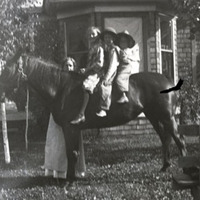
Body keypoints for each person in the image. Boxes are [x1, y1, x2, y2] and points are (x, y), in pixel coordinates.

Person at [44, 57, 86, 179]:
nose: (68, 68)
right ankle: (57, 170)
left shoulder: (76, 81)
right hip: (58, 113)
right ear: (62, 68)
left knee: (72, 143)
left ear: (74, 68)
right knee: (56, 142)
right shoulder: (57, 80)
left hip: (71, 115)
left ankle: (73, 170)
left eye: (70, 66)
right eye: (66, 66)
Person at [70, 26, 104, 124]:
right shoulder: (92, 48)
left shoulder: (99, 48)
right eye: (89, 34)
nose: (91, 36)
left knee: (86, 85)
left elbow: (99, 64)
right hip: (89, 71)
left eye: (93, 34)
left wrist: (87, 69)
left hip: (97, 73)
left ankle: (82, 114)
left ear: (98, 35)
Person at [96, 27, 120, 117]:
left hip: (112, 72)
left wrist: (106, 77)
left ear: (113, 39)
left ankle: (104, 108)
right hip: (105, 71)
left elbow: (113, 65)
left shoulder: (114, 49)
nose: (107, 39)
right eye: (106, 38)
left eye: (109, 38)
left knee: (105, 85)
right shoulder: (106, 49)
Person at [115, 30, 140, 103]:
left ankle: (123, 95)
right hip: (120, 68)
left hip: (127, 68)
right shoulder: (119, 50)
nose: (122, 43)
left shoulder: (129, 51)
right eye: (121, 41)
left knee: (119, 79)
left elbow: (133, 60)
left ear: (128, 42)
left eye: (124, 41)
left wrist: (126, 58)